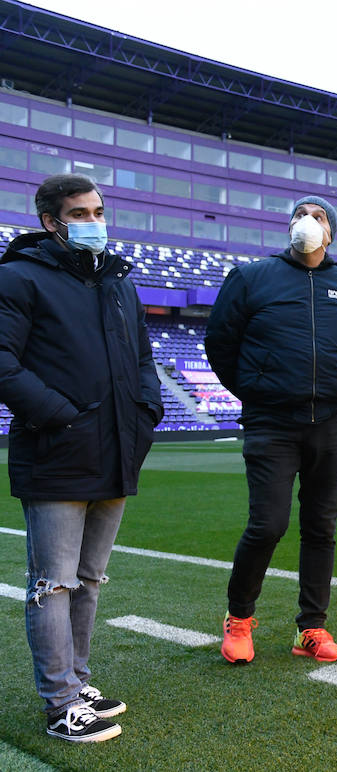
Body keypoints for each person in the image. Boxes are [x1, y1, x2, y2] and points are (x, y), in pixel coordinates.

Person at [0, 173, 162, 742]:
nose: (95, 221)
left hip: (117, 448)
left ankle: (79, 680)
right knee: (54, 583)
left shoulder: (117, 281)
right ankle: (61, 704)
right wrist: (60, 415)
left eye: (98, 211)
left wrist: (146, 413)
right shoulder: (18, 278)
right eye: (81, 213)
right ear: (51, 221)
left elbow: (143, 355)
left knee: (90, 579)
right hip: (56, 451)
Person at [206, 196, 337, 665]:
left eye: (318, 216)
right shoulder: (251, 278)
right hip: (271, 423)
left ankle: (312, 629)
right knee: (269, 524)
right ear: (290, 227)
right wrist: (256, 391)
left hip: (331, 423)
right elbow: (219, 342)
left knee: (321, 527)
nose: (308, 221)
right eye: (301, 214)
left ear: (331, 232)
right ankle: (238, 619)